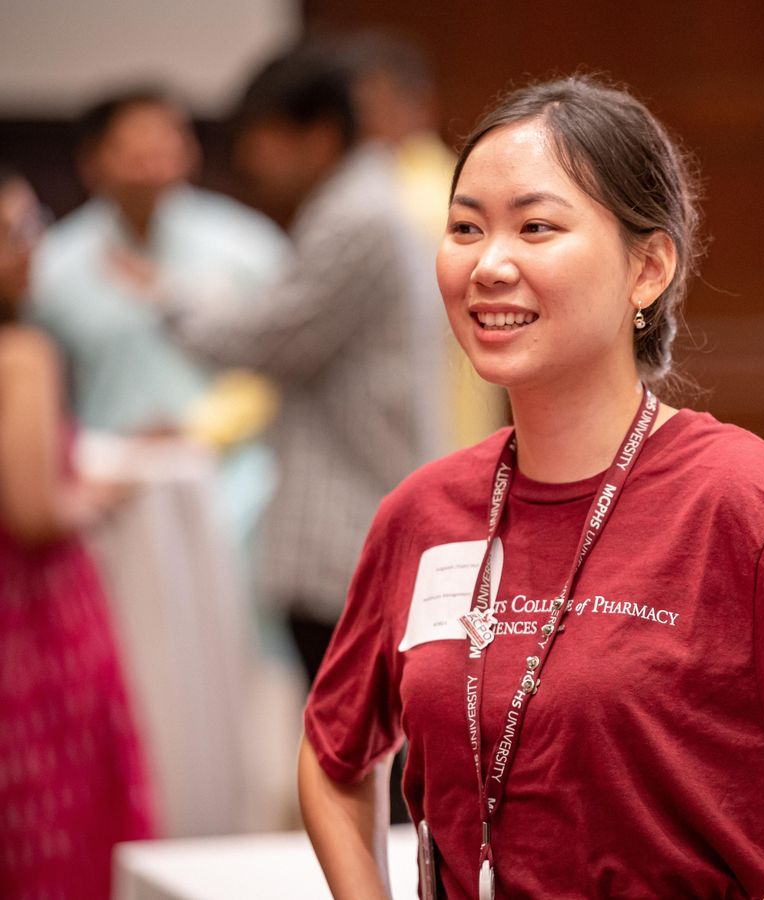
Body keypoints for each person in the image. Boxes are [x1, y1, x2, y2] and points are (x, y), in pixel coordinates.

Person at [298, 75, 764, 899]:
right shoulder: (424, 512)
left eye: (536, 227)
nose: (489, 264)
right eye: (465, 228)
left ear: (648, 269)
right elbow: (332, 755)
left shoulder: (749, 506)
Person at [132, 46, 448, 685]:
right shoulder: (361, 203)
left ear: (320, 135)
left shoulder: (356, 217)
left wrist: (166, 299)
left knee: (355, 757)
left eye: (264, 137)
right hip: (352, 517)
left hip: (349, 528)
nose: (251, 158)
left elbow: (269, 338)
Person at [29, 87, 285, 548]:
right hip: (106, 491)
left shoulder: (248, 247)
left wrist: (200, 428)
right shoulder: (52, 266)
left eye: (166, 139)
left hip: (235, 490)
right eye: (134, 143)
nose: (152, 157)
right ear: (94, 160)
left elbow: (284, 365)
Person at [0, 166, 153, 899]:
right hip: (33, 627)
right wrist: (96, 497)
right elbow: (34, 514)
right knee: (53, 823)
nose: (33, 248)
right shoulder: (21, 356)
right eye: (14, 232)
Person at [343, 31, 507, 452]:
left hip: (414, 419)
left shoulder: (410, 197)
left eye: (369, 108)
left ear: (418, 105)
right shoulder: (445, 185)